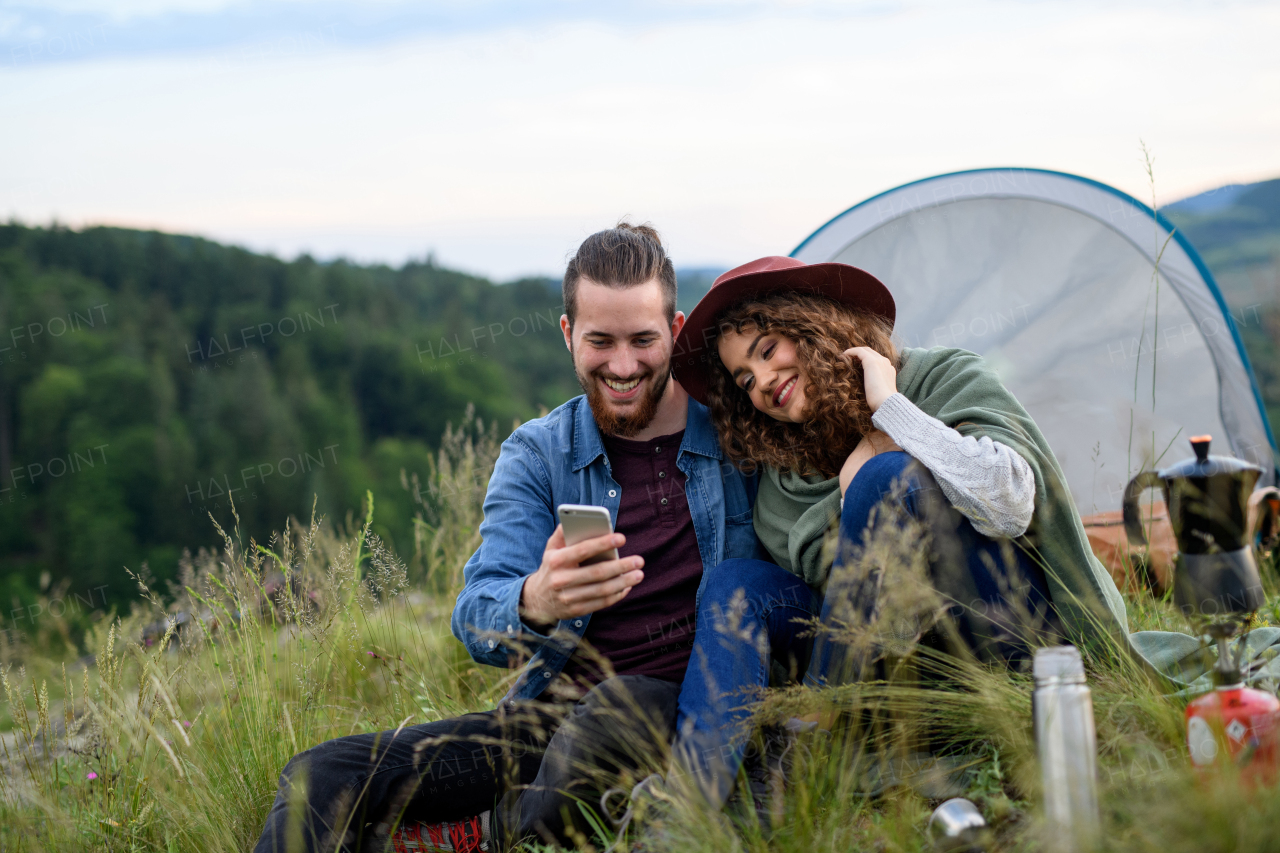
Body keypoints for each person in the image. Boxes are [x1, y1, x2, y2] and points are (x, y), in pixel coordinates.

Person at [253, 224, 764, 853]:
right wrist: (537, 599)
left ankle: (474, 837)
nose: (623, 365)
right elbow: (475, 614)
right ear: (568, 335)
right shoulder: (539, 453)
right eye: (600, 341)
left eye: (643, 340)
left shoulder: (741, 428)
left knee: (613, 710)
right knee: (319, 776)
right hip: (542, 724)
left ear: (677, 331)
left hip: (679, 709)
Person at [661, 255, 1131, 807]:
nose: (763, 382)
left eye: (768, 350)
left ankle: (812, 756)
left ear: (814, 324)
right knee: (735, 582)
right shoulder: (781, 484)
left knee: (887, 479)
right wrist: (853, 490)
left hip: (1014, 641)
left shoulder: (939, 378)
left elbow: (1011, 505)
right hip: (902, 690)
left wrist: (892, 414)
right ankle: (685, 809)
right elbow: (838, 612)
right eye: (745, 379)